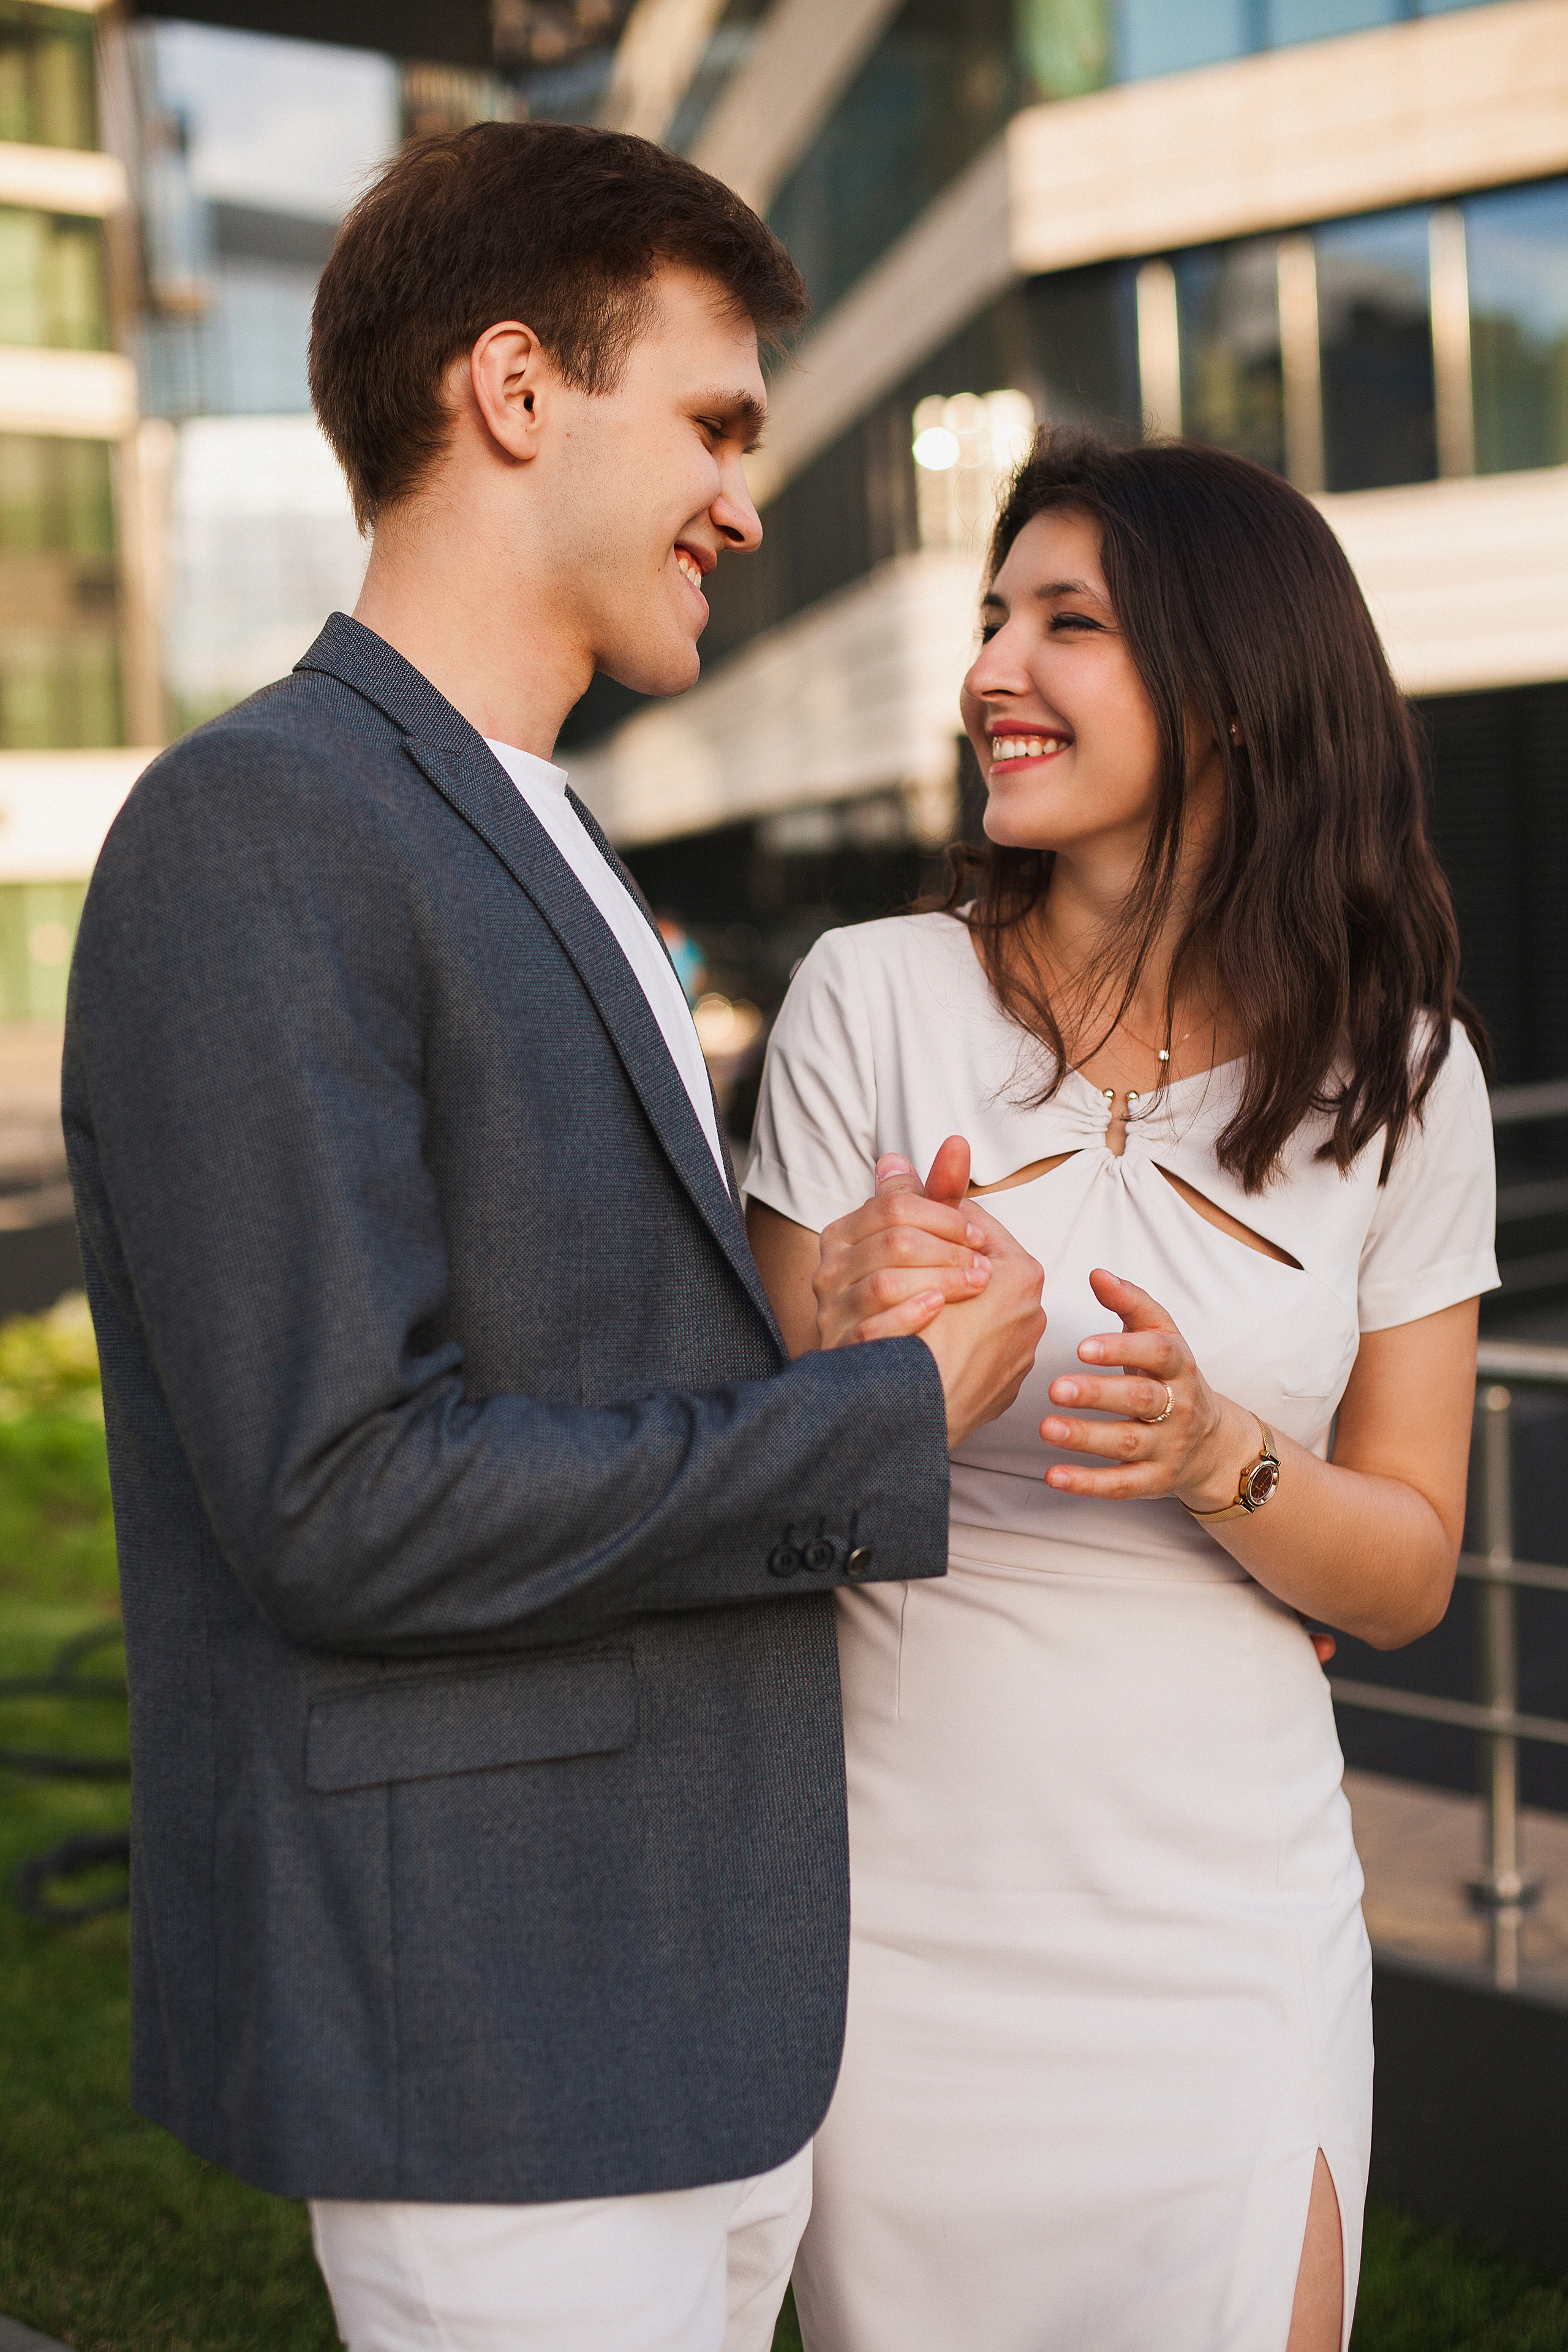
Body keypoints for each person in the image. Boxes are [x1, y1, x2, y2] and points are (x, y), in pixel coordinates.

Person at [61, 123, 1047, 2352]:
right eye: (711, 422)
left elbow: (579, 1341)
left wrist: (825, 1305)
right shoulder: (259, 827)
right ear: (516, 391)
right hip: (492, 2045)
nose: (747, 497)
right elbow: (345, 1504)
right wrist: (882, 1419)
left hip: (693, 2017)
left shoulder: (557, 830)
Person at [745, 430, 1499, 2352]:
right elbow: (750, 1484)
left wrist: (1217, 1455)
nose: (993, 666)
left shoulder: (1405, 1080)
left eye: (1065, 623)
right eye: (994, 618)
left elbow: (1407, 1573)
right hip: (901, 1937)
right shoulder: (871, 998)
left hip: (1226, 1941)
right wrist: (859, 1343)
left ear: (1236, 687)